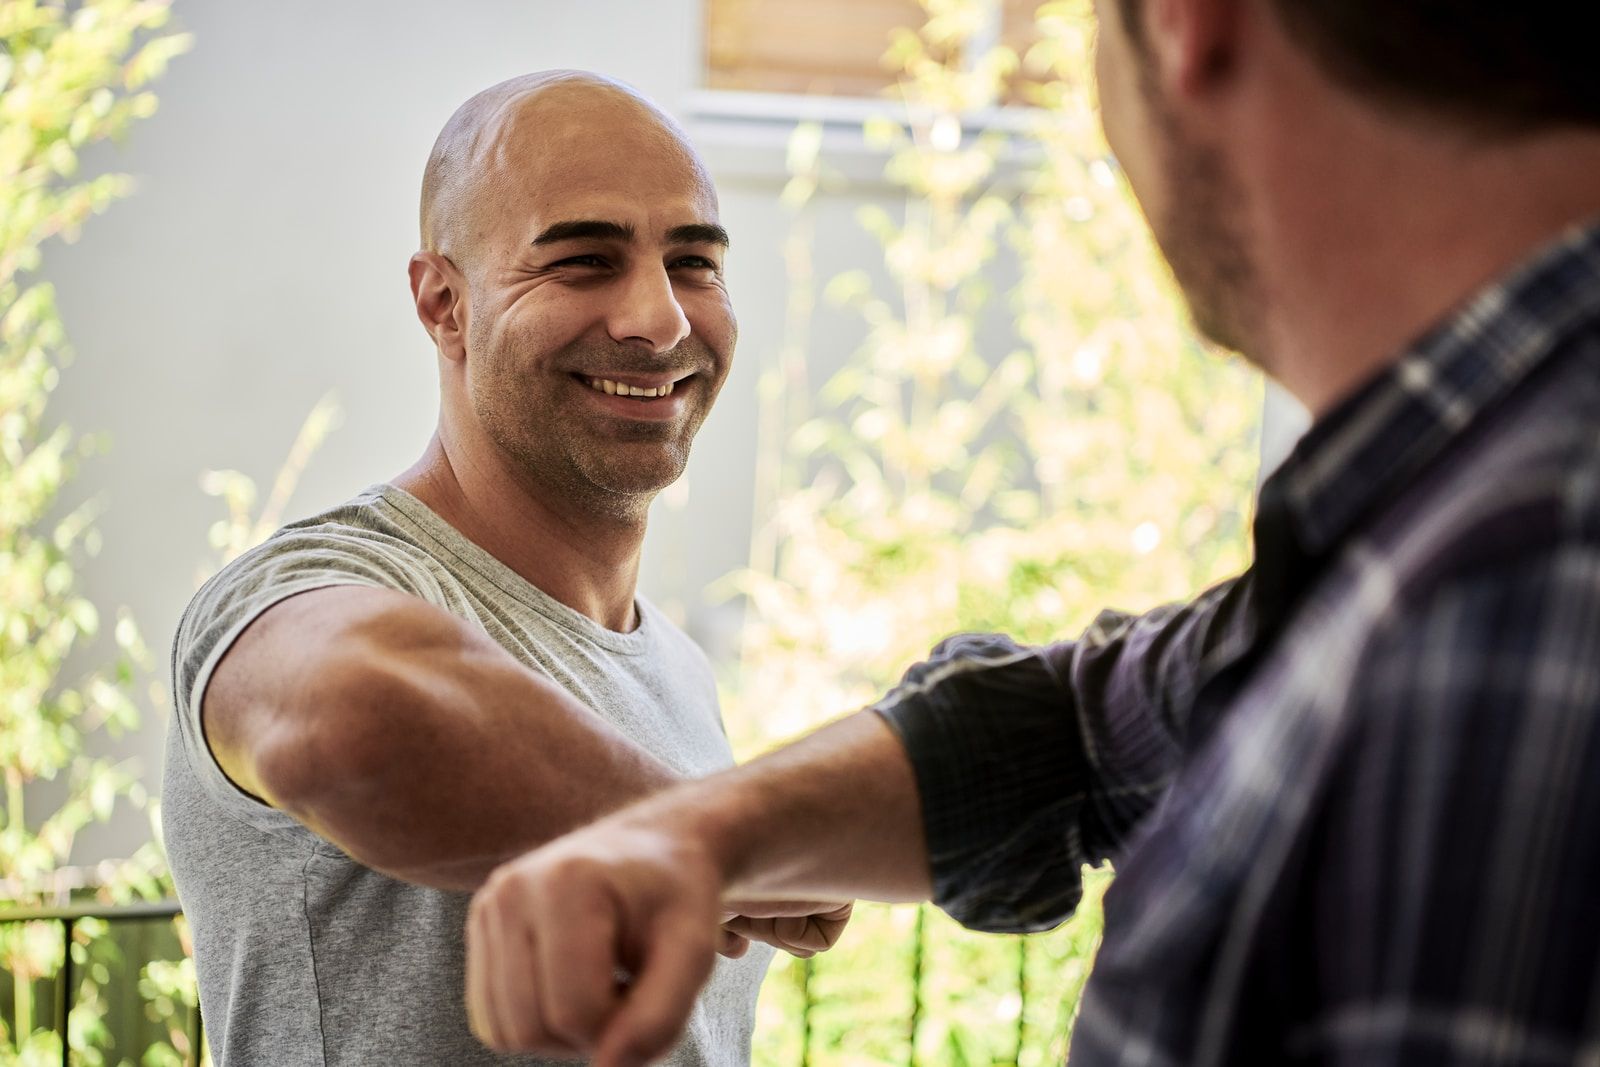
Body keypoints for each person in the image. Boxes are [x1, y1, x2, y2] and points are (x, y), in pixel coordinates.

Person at [463, 2, 1600, 1064]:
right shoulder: (1430, 512)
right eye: (580, 257)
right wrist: (699, 833)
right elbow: (1073, 731)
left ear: (1183, 25)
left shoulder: (1510, 596)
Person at [161, 71, 848, 1067]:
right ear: (445, 303)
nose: (659, 319)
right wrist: (713, 835)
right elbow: (350, 723)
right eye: (582, 261)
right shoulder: (312, 584)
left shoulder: (677, 671)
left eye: (693, 262)